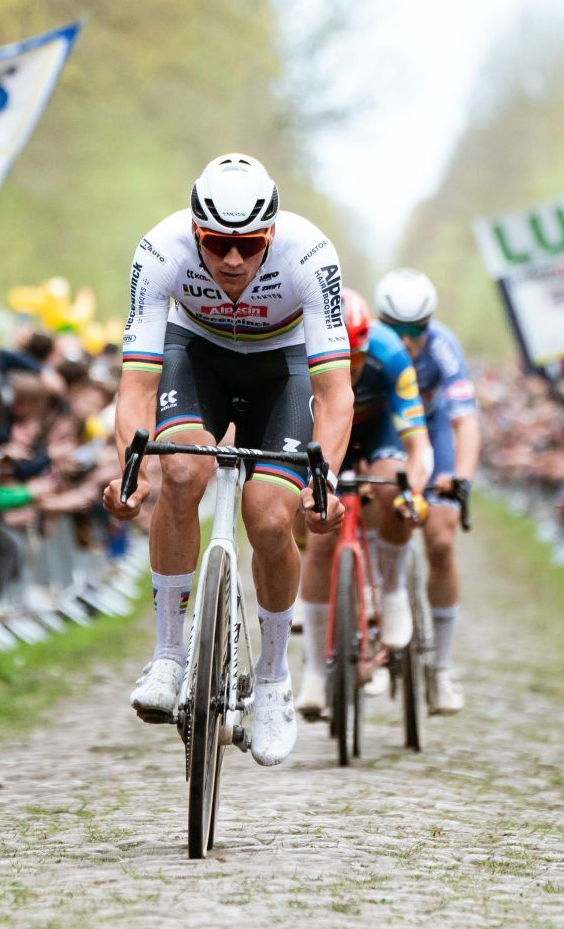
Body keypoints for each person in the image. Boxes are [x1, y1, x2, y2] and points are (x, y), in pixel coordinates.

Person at [101, 153, 351, 767]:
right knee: (182, 471)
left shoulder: (310, 254)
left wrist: (326, 484)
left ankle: (271, 679)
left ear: (272, 233)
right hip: (198, 355)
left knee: (269, 520)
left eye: (248, 246)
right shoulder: (159, 253)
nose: (232, 261)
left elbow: (334, 393)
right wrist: (130, 472)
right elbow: (135, 385)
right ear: (194, 233)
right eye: (215, 244)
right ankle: (168, 654)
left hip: (284, 367)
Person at [295, 290, 429, 719]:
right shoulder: (298, 357)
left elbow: (419, 444)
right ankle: (315, 670)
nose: (349, 370)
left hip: (377, 434)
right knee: (317, 539)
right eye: (341, 360)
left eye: (356, 361)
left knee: (393, 483)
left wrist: (414, 491)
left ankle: (390, 593)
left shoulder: (390, 355)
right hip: (324, 433)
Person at [374, 266, 478, 714]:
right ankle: (374, 613)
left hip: (430, 432)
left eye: (418, 329)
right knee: (372, 508)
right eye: (398, 329)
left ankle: (442, 668)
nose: (410, 339)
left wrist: (461, 479)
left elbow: (464, 421)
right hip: (384, 427)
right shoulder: (370, 345)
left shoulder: (443, 347)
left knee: (440, 538)